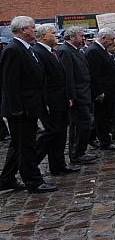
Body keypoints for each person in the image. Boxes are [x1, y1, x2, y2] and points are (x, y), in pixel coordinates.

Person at [0, 16, 58, 193]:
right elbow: (10, 83)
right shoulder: (13, 50)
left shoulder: (27, 48)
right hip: (21, 110)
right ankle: (33, 181)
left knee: (18, 145)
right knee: (26, 147)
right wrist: (17, 109)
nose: (35, 30)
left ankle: (6, 179)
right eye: (33, 27)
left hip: (31, 105)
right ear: (23, 29)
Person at [31, 24, 79, 176]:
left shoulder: (52, 51)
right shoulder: (38, 52)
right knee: (51, 133)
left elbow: (62, 77)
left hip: (60, 99)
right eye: (53, 33)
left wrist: (68, 96)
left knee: (60, 135)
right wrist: (45, 102)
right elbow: (42, 80)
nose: (56, 35)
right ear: (44, 36)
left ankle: (58, 165)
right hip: (51, 102)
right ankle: (30, 164)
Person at [58, 26, 97, 165]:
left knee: (84, 124)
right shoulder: (65, 51)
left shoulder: (75, 50)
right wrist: (71, 96)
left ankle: (81, 151)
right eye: (81, 36)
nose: (84, 38)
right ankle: (76, 154)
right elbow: (67, 76)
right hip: (78, 95)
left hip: (84, 93)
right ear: (72, 37)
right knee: (80, 125)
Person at [84, 28, 115, 152]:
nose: (113, 42)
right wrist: (99, 92)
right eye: (112, 39)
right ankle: (105, 141)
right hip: (103, 92)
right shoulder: (94, 51)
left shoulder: (101, 49)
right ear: (103, 38)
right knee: (102, 118)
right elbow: (94, 74)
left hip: (109, 90)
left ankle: (94, 137)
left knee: (105, 117)